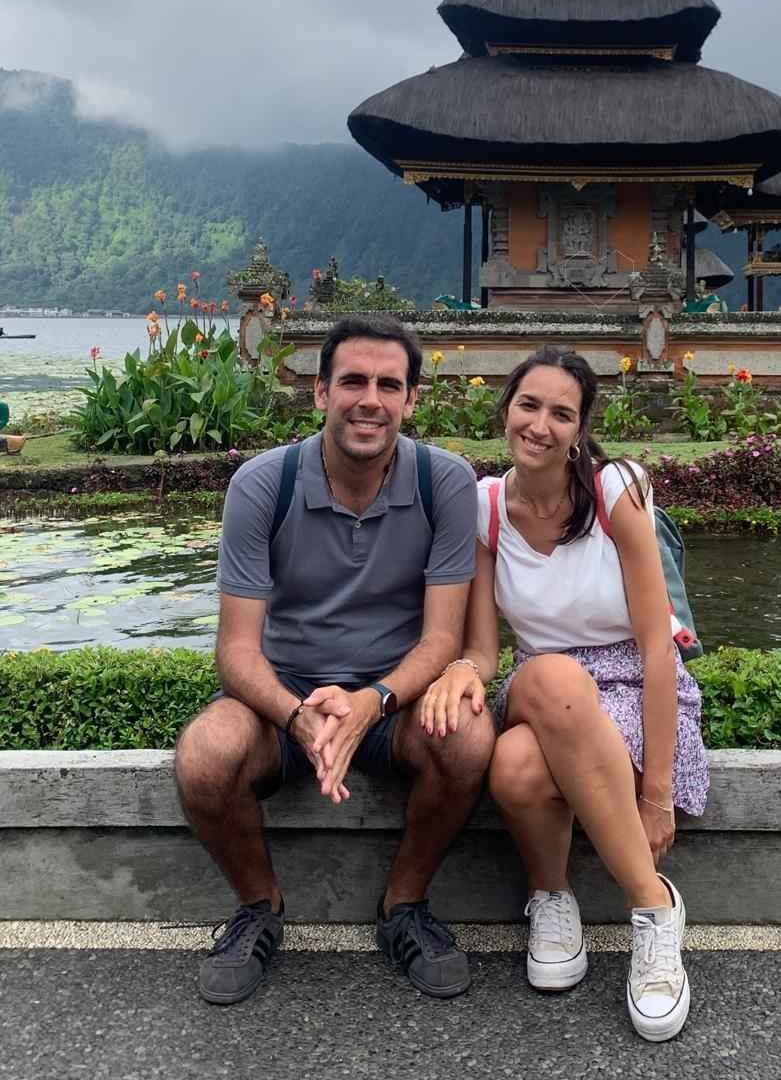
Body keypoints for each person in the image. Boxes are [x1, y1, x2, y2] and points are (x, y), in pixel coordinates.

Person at [174, 316, 492, 1005]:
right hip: (284, 697)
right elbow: (236, 650)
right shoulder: (264, 484)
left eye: (389, 385)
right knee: (205, 755)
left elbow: (441, 641)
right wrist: (297, 717)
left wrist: (372, 703)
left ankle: (403, 905)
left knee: (469, 739)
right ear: (320, 392)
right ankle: (258, 908)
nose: (369, 400)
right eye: (352, 381)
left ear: (411, 400)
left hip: (393, 701)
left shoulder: (444, 482)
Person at [419, 345, 708, 1044]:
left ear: (580, 429)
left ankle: (562, 897)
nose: (540, 425)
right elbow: (485, 649)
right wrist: (460, 669)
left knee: (517, 764)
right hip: (542, 683)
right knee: (552, 674)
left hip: (633, 681)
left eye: (561, 413)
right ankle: (651, 901)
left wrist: (655, 794)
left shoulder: (617, 491)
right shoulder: (486, 506)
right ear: (506, 410)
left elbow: (657, 645)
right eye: (528, 405)